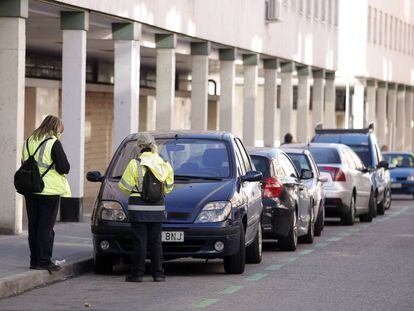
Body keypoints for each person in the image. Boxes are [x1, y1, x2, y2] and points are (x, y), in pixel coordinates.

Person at [119, 133, 174, 282]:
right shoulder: (163, 162)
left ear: (140, 146)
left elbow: (125, 186)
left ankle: (137, 274)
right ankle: (158, 274)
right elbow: (169, 187)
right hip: (157, 208)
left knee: (140, 241)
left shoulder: (134, 163)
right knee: (156, 241)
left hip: (138, 208)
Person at [22, 115, 71, 272]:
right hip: (48, 191)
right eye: (60, 131)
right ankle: (44, 261)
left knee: (34, 226)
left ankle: (34, 260)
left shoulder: (28, 141)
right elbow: (64, 167)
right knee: (46, 227)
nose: (60, 134)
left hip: (31, 189)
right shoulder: (53, 143)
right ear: (55, 129)